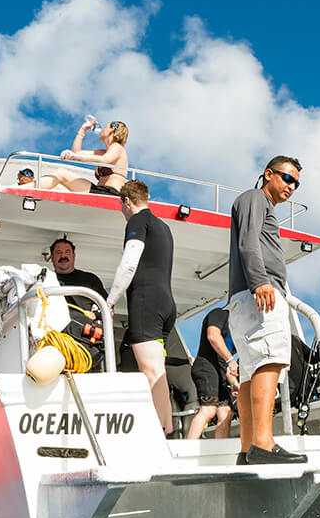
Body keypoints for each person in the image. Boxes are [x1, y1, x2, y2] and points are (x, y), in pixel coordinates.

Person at [229, 155, 306, 465]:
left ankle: (249, 449)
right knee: (270, 360)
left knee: (251, 371)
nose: (291, 186)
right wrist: (261, 281)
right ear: (268, 174)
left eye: (296, 183)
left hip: (246, 299)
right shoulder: (254, 198)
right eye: (287, 178)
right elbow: (248, 242)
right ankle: (263, 442)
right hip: (260, 294)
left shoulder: (263, 205)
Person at [105, 180, 177, 435]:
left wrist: (109, 301)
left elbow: (129, 264)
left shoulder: (137, 222)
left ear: (125, 201)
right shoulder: (164, 227)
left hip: (146, 304)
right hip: (166, 304)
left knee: (151, 373)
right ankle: (168, 433)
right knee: (159, 374)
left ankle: (159, 436)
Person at [186, 307, 239, 439]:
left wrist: (234, 383)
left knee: (226, 412)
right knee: (209, 410)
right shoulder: (219, 314)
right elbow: (213, 336)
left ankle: (220, 449)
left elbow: (227, 367)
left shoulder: (238, 330)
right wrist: (231, 361)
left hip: (220, 371)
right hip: (206, 367)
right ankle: (187, 448)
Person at [39, 116, 129, 194]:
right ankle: (28, 188)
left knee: (61, 173)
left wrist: (76, 157)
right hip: (100, 191)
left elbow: (105, 160)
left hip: (110, 193)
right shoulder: (102, 152)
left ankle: (27, 188)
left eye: (105, 127)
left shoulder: (117, 147)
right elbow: (76, 152)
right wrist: (83, 129)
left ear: (112, 130)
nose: (102, 129)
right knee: (58, 184)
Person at [48, 237, 108, 312]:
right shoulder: (46, 281)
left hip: (86, 322)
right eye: (59, 253)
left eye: (67, 252)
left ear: (73, 256)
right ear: (52, 257)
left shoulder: (91, 280)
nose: (63, 256)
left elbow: (106, 307)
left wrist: (94, 316)